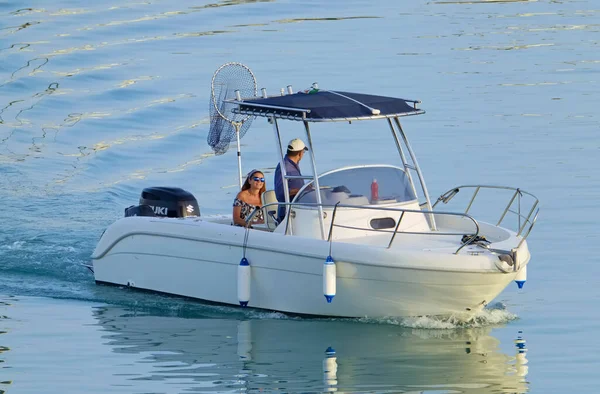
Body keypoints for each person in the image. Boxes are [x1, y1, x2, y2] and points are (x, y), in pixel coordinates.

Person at [274, 138, 308, 221]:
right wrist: (301, 190)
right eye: (303, 152)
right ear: (300, 153)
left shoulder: (293, 165)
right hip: (288, 213)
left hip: (297, 210)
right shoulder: (284, 167)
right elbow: (280, 192)